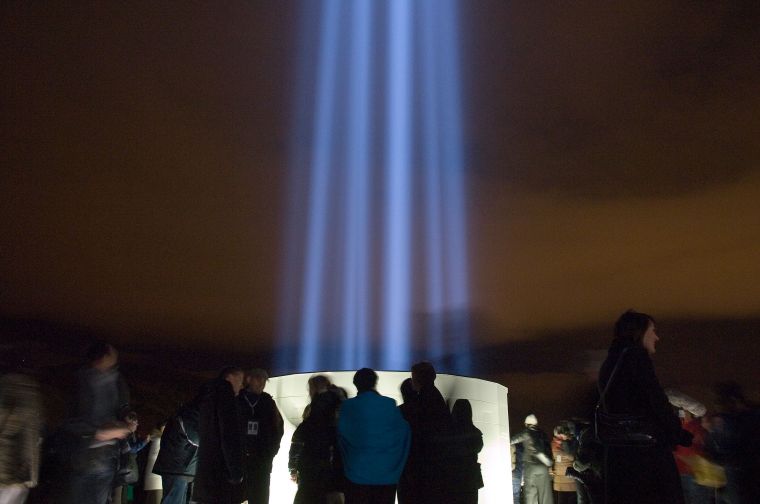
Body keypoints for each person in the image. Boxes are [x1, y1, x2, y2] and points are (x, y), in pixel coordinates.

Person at [597, 310, 692, 504]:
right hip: (645, 456)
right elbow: (656, 401)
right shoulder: (636, 358)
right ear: (639, 332)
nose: (657, 337)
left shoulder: (611, 361)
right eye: (653, 331)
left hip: (618, 457)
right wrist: (678, 433)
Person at [66, 341, 131, 504]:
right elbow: (67, 421)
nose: (116, 358)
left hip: (108, 456)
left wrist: (129, 418)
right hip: (82, 456)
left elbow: (123, 408)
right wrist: (98, 432)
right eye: (112, 354)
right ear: (101, 357)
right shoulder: (78, 381)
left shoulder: (117, 380)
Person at [337, 368, 410, 504]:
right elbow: (404, 432)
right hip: (387, 474)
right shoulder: (389, 404)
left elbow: (341, 435)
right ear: (374, 383)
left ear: (355, 384)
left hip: (356, 473)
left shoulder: (347, 406)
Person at [192, 366, 245, 504]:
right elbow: (229, 435)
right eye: (240, 380)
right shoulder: (226, 398)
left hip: (205, 474)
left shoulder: (207, 398)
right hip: (220, 474)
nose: (241, 386)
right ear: (230, 377)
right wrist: (236, 471)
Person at [288, 375, 344, 504]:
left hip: (313, 467)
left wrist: (293, 467)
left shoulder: (316, 410)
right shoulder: (338, 404)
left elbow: (299, 442)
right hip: (332, 468)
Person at [403, 361, 453, 504]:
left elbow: (421, 434)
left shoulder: (424, 400)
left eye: (413, 377)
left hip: (425, 467)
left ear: (419, 379)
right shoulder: (434, 397)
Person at [236, 368, 284, 504]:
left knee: (260, 496)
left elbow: (278, 428)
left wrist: (270, 452)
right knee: (236, 494)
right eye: (258, 379)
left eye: (264, 381)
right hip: (238, 459)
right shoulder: (238, 400)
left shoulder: (268, 402)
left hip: (261, 461)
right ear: (249, 379)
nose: (262, 383)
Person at [0, 360, 42, 504]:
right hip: (11, 474)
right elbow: (29, 437)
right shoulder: (24, 392)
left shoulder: (7, 389)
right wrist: (27, 475)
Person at [153, 399, 201, 504]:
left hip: (182, 469)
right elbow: (197, 439)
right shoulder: (188, 416)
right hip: (177, 469)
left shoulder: (183, 415)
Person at [510, 414, 554, 504]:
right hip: (544, 467)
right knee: (545, 496)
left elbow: (512, 440)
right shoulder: (544, 434)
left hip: (530, 467)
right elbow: (549, 451)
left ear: (526, 424)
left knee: (531, 495)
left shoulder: (526, 432)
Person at [449, 399, 484, 504]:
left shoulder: (450, 432)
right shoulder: (475, 432)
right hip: (471, 476)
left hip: (453, 476)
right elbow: (478, 448)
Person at [112, 411, 150, 504]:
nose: (137, 425)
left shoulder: (131, 434)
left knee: (125, 495)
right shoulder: (125, 433)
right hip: (123, 469)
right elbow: (131, 449)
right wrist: (145, 442)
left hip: (128, 469)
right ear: (129, 421)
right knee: (118, 496)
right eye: (135, 422)